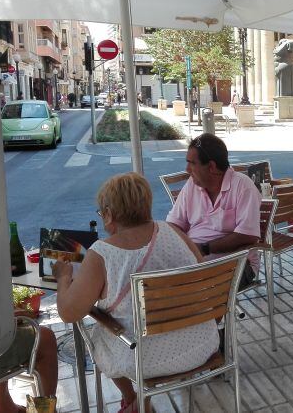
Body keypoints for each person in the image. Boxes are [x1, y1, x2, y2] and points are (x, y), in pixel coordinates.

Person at [53, 173, 219, 413]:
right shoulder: (175, 232)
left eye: (101, 214)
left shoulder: (102, 253)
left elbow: (69, 313)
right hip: (202, 344)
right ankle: (137, 402)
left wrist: (63, 278)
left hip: (147, 362)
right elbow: (200, 274)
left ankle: (133, 399)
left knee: (100, 332)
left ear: (109, 214)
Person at [166, 133, 262, 290]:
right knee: (157, 284)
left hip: (237, 264)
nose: (187, 169)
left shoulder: (242, 186)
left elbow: (248, 235)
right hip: (196, 262)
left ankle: (213, 314)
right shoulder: (192, 185)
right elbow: (174, 224)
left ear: (211, 167)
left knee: (190, 291)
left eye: (192, 163)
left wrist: (204, 249)